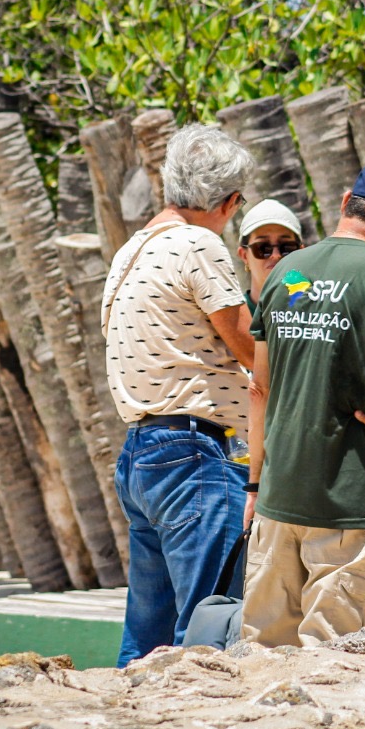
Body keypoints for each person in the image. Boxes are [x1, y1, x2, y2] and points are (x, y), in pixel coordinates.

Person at [242, 160, 365, 647]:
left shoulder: (285, 270)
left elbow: (258, 388)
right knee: (332, 656)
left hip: (278, 494)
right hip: (350, 499)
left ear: (346, 202)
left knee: (262, 653)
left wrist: (255, 485)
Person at [101, 123, 256, 665]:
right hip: (194, 457)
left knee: (148, 632)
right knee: (208, 623)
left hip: (143, 453)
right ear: (229, 200)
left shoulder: (130, 252)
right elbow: (250, 349)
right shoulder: (198, 244)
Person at [235, 198, 305, 310]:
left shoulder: (325, 313)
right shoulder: (230, 321)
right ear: (244, 256)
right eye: (263, 248)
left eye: (286, 247)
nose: (276, 255)